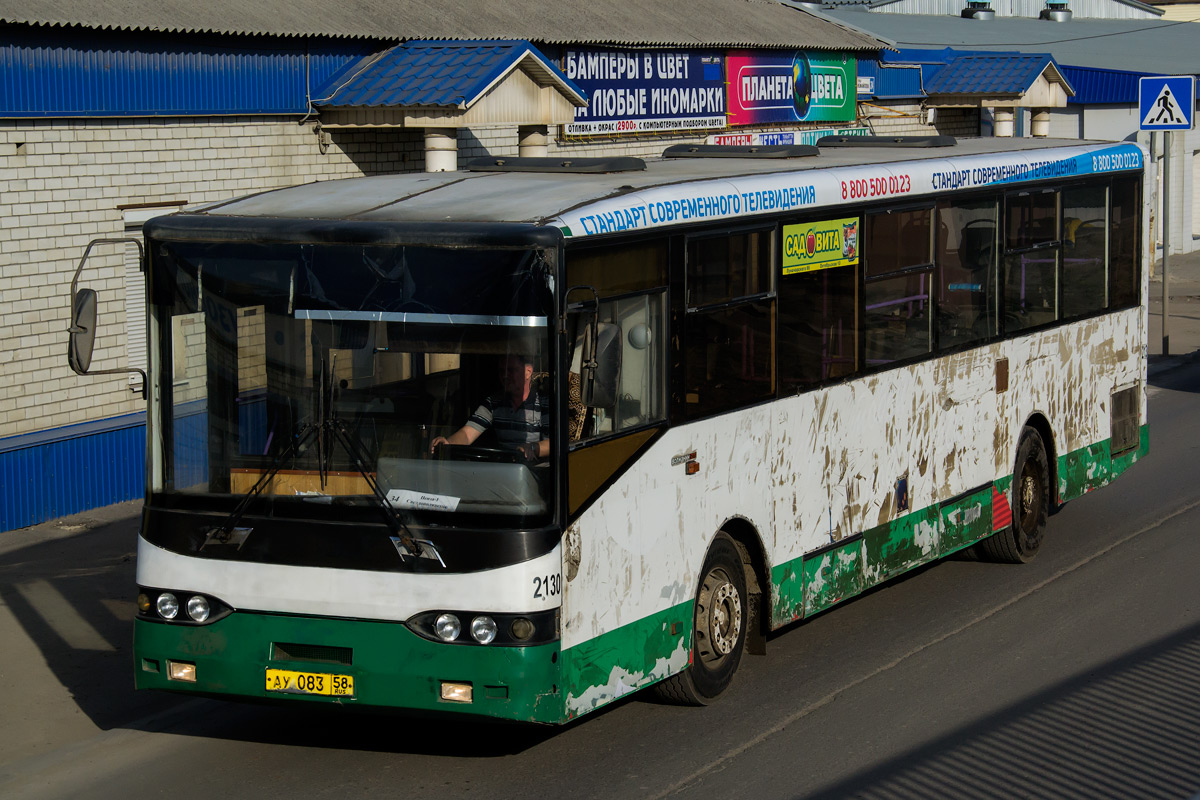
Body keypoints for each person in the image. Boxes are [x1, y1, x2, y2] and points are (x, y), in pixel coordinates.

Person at [430, 354, 549, 460]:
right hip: (505, 472)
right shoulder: (494, 402)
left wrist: (532, 448)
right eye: (502, 371)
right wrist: (447, 444)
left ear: (528, 372)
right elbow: (468, 433)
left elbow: (553, 443)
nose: (505, 376)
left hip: (536, 473)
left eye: (511, 370)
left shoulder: (544, 403)